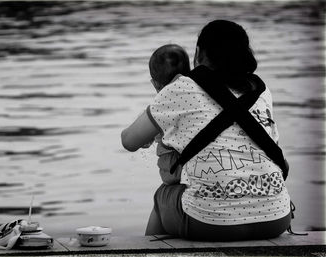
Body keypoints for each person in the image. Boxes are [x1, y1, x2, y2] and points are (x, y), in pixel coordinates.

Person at [121, 20, 291, 241]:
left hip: (210, 221)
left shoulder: (181, 88)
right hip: (276, 217)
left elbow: (129, 141)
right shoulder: (261, 90)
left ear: (199, 52)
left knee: (162, 197)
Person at [147, 44, 190, 185]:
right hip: (199, 168)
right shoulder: (199, 98)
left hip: (174, 172)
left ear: (155, 84)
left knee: (161, 199)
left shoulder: (161, 107)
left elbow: (131, 141)